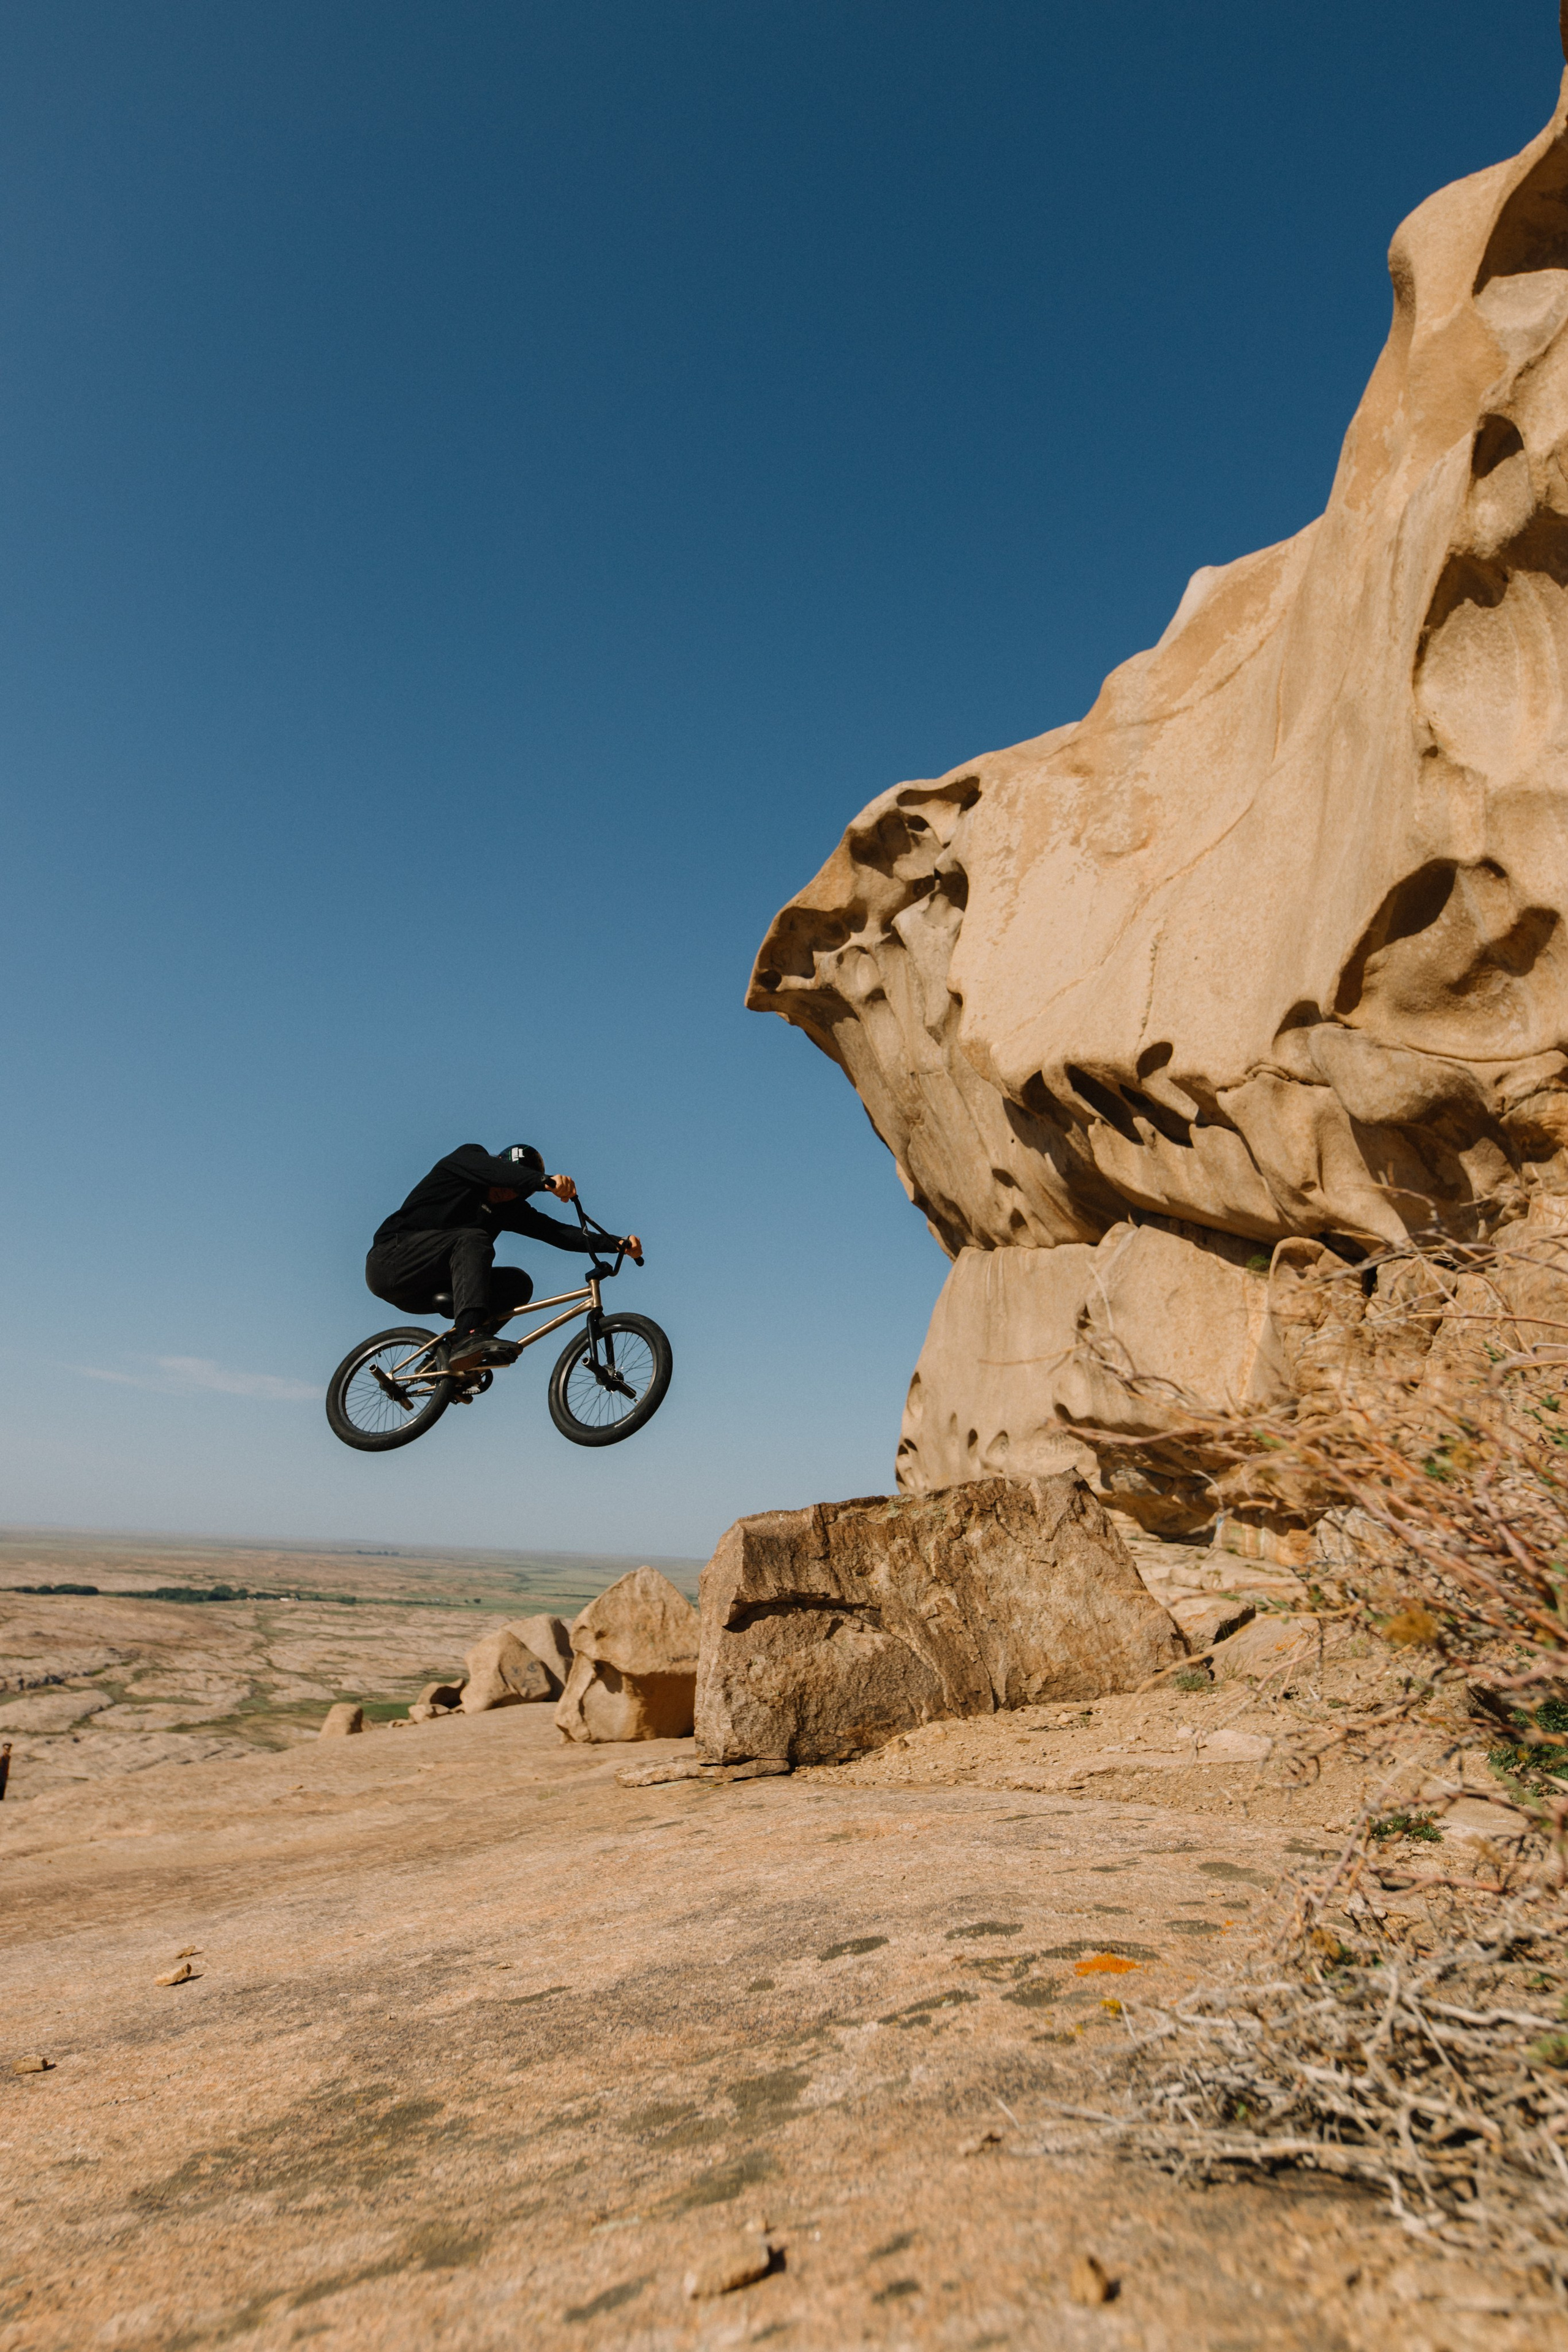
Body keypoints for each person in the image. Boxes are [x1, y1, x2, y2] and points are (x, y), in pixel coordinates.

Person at [365, 1143, 641, 1372]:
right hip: (392, 1261)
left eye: (518, 1193)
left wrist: (617, 1244)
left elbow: (558, 1233)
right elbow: (494, 1171)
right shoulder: (467, 1161)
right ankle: (470, 1337)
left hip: (427, 1288)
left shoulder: (509, 1208)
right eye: (508, 1182)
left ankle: (446, 1362)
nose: (508, 1193)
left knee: (518, 1284)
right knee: (472, 1238)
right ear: (501, 1170)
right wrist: (545, 1182)